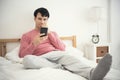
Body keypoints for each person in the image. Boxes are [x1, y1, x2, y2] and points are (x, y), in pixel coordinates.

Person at [19, 7, 112, 80]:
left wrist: (50, 33)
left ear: (47, 20)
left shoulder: (52, 33)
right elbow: (22, 55)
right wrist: (34, 44)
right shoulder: (26, 35)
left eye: (45, 19)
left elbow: (62, 48)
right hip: (40, 58)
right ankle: (59, 67)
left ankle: (92, 73)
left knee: (71, 58)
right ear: (34, 18)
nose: (42, 22)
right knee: (27, 60)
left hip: (56, 54)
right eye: (39, 19)